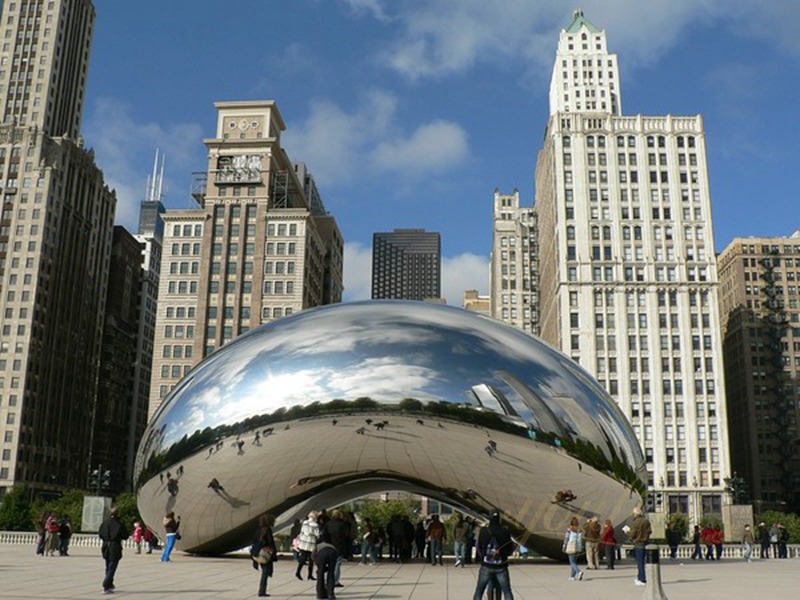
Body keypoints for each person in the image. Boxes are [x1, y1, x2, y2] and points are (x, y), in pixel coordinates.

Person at [473, 511, 516, 599]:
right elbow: (509, 548)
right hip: (501, 566)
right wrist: (505, 555)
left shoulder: (484, 531)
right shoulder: (505, 531)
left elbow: (479, 546)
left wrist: (483, 556)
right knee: (507, 591)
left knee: (479, 591)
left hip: (486, 565)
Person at [98, 506, 130, 595]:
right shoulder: (119, 524)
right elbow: (125, 536)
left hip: (105, 546)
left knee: (108, 565)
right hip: (114, 546)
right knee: (112, 566)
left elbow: (100, 534)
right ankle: (106, 584)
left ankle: (109, 584)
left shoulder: (105, 523)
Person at [321, 509, 350, 588]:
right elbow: (347, 534)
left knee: (330, 564)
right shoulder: (342, 524)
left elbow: (324, 534)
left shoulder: (328, 524)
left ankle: (328, 580)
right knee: (337, 564)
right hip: (339, 546)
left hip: (330, 546)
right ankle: (335, 581)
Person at [251, 513, 277, 597]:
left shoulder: (258, 529)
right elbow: (270, 542)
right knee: (265, 573)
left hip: (257, 552)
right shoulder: (267, 529)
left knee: (264, 572)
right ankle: (262, 591)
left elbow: (254, 541)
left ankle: (262, 590)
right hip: (265, 553)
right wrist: (274, 553)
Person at [627, 506, 651, 586]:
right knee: (643, 561)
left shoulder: (635, 522)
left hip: (638, 543)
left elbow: (633, 534)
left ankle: (642, 579)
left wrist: (627, 532)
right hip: (645, 543)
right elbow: (650, 531)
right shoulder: (646, 521)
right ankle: (639, 576)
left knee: (640, 563)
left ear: (635, 514)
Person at [296, 510, 320, 580]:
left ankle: (298, 572)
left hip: (303, 542)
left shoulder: (305, 522)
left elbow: (302, 532)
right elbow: (317, 534)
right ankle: (310, 575)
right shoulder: (315, 525)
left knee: (302, 558)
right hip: (311, 543)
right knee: (311, 559)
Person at [563, 516, 584, 581]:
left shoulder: (569, 531)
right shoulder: (579, 531)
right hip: (578, 548)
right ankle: (572, 576)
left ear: (571, 524)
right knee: (574, 561)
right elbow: (580, 540)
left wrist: (564, 547)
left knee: (572, 562)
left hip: (571, 547)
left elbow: (566, 539)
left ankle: (579, 572)